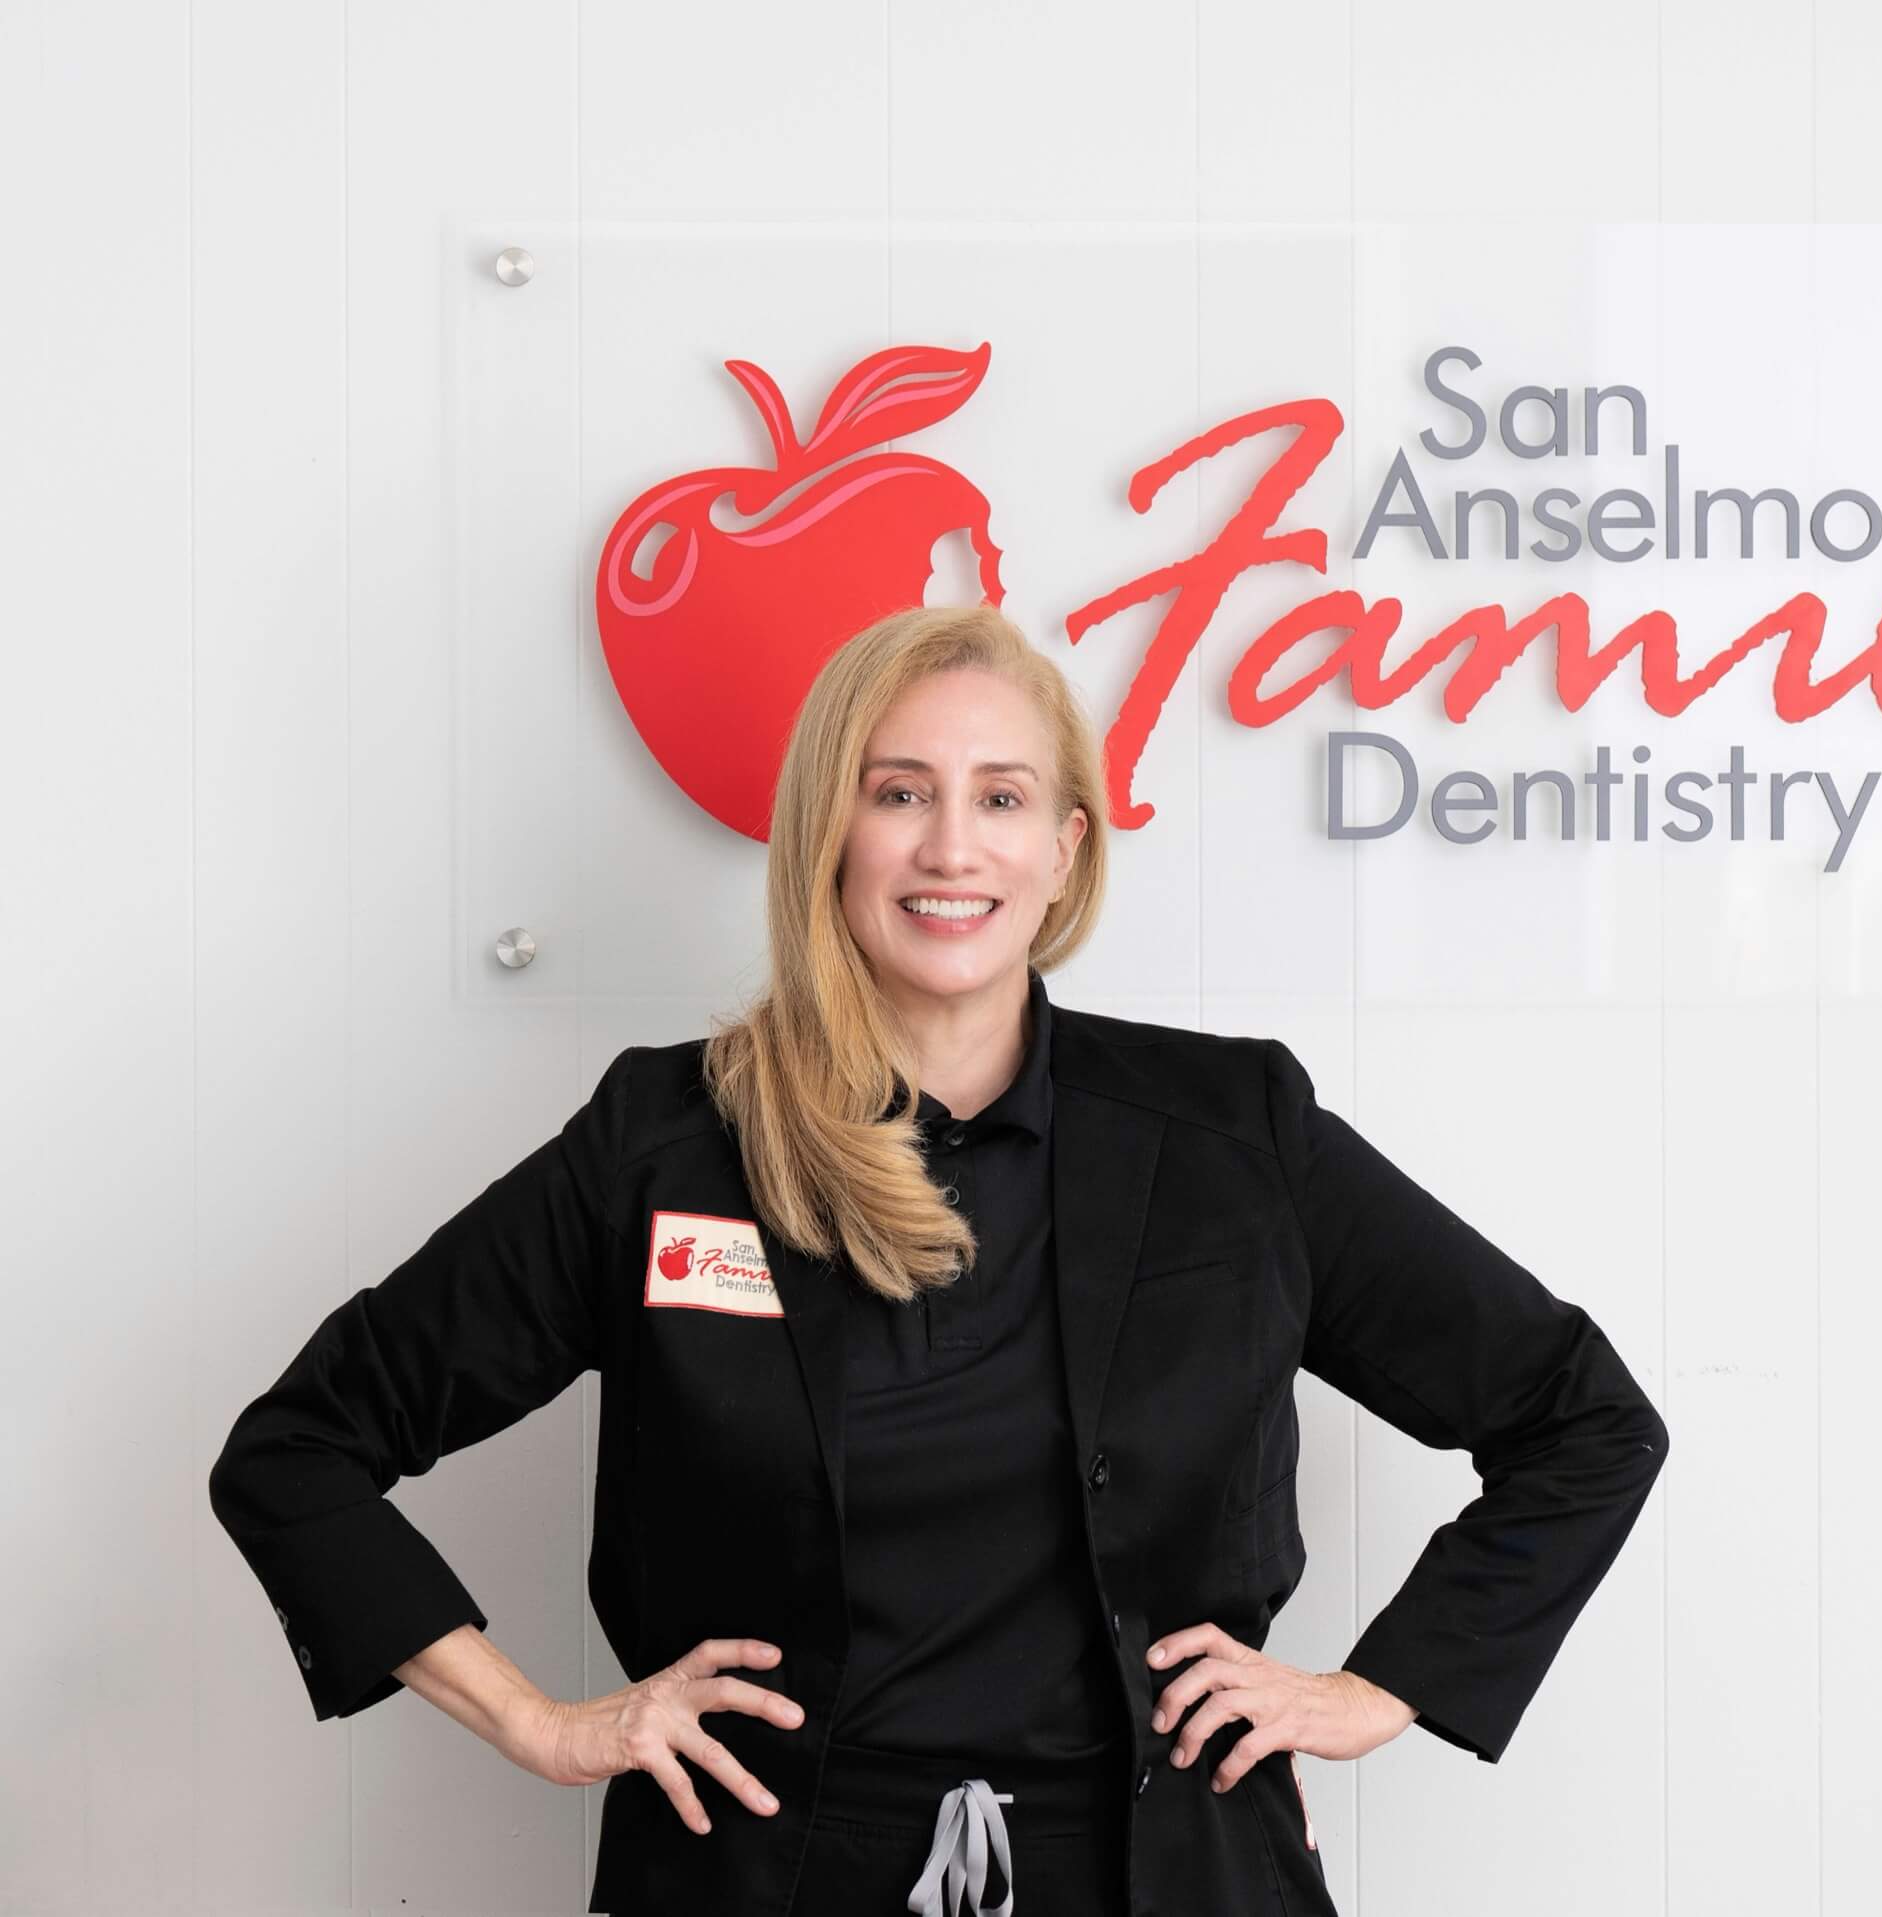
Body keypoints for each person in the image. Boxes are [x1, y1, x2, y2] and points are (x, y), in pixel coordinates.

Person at [208, 603, 1671, 1917]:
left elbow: (1581, 1420)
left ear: (1063, 849)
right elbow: (299, 1450)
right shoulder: (667, 1143)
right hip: (767, 1879)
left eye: (1001, 797)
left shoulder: (1236, 1137)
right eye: (898, 791)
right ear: (827, 834)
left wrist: (1384, 1686)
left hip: (1168, 1881)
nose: (951, 846)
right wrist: (544, 1720)